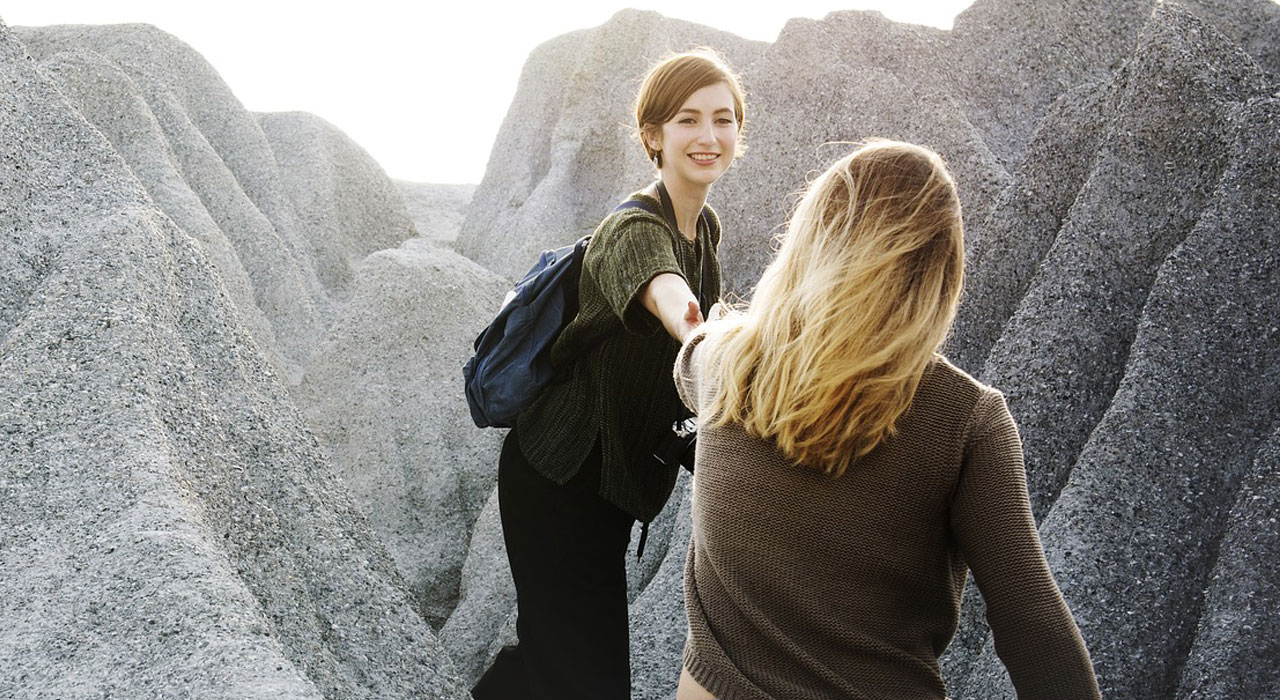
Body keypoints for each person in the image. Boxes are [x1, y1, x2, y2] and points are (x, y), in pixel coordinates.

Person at [673, 141, 1102, 700]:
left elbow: (689, 360)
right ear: (938, 272)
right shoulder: (968, 422)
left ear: (812, 237)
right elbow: (1031, 623)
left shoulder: (720, 362)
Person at [470, 49, 745, 700]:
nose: (708, 137)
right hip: (557, 483)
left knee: (555, 653)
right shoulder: (633, 230)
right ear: (652, 135)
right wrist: (704, 335)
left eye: (723, 119)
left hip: (603, 494)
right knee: (585, 677)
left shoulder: (703, 228)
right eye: (687, 120)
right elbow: (674, 303)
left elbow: (670, 386)